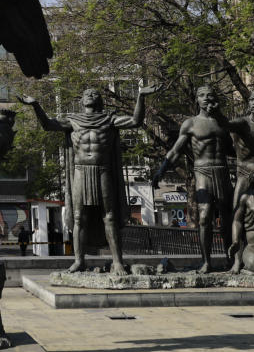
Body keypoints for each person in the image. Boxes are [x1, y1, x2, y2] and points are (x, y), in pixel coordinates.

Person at [21, 85, 159, 275]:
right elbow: (47, 125)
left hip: (102, 170)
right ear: (82, 100)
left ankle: (117, 261)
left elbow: (135, 121)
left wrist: (141, 96)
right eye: (86, 93)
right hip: (80, 171)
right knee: (79, 217)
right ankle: (79, 261)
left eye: (94, 93)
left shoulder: (109, 119)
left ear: (99, 100)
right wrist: (35, 105)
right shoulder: (73, 120)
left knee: (109, 216)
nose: (90, 94)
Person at [152, 85, 234, 273]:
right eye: (202, 95)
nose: (206, 98)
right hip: (202, 171)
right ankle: (206, 261)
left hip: (222, 170)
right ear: (197, 100)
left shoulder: (223, 122)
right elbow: (175, 151)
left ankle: (231, 259)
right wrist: (161, 170)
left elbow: (232, 150)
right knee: (205, 217)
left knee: (228, 218)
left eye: (210, 95)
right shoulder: (191, 124)